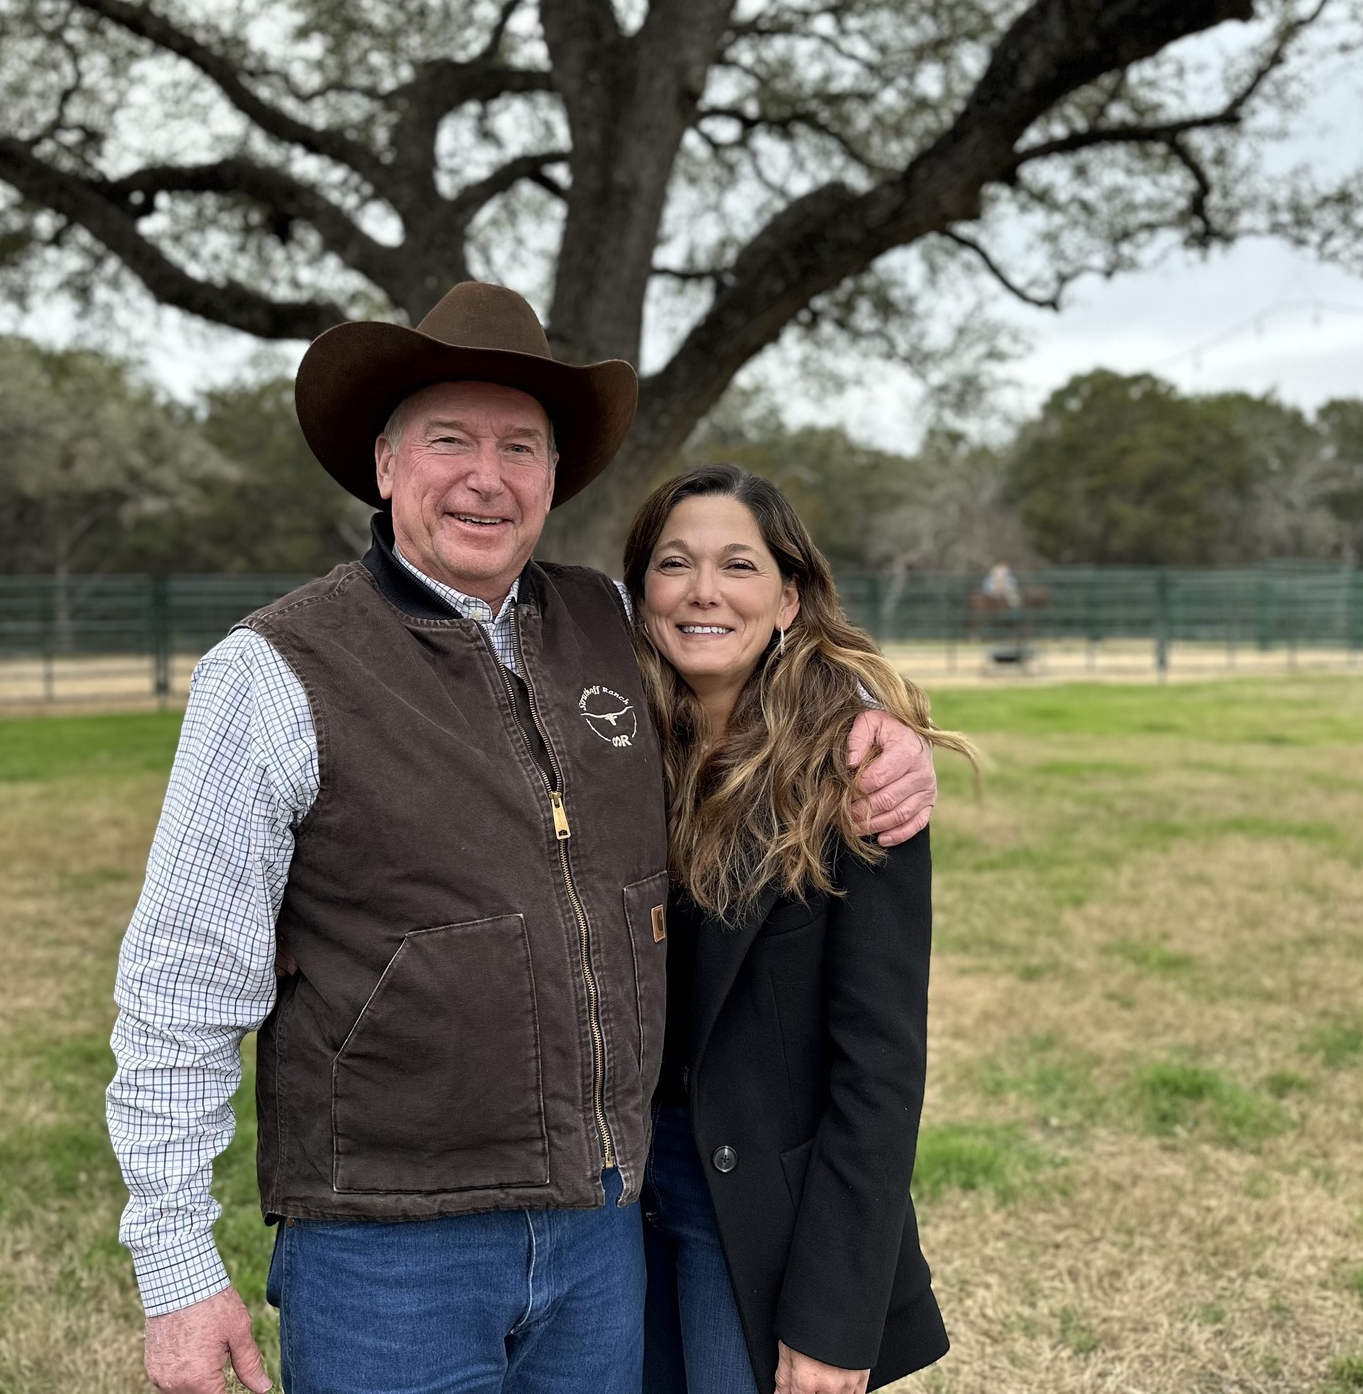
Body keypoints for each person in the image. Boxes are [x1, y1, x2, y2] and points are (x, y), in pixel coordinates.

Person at [106, 281, 942, 1394]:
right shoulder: (273, 673)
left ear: (553, 478)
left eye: (521, 447)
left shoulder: (604, 622)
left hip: (600, 1235)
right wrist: (174, 1266)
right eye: (450, 439)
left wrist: (871, 725)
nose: (486, 477)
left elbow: (741, 648)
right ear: (386, 462)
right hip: (387, 1249)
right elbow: (178, 986)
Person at [625, 465, 973, 1394]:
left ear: (788, 597)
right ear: (641, 592)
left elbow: (881, 1068)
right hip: (606, 1201)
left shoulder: (852, 775)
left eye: (738, 565)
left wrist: (831, 1316)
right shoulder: (606, 749)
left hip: (747, 1205)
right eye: (674, 563)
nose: (703, 590)